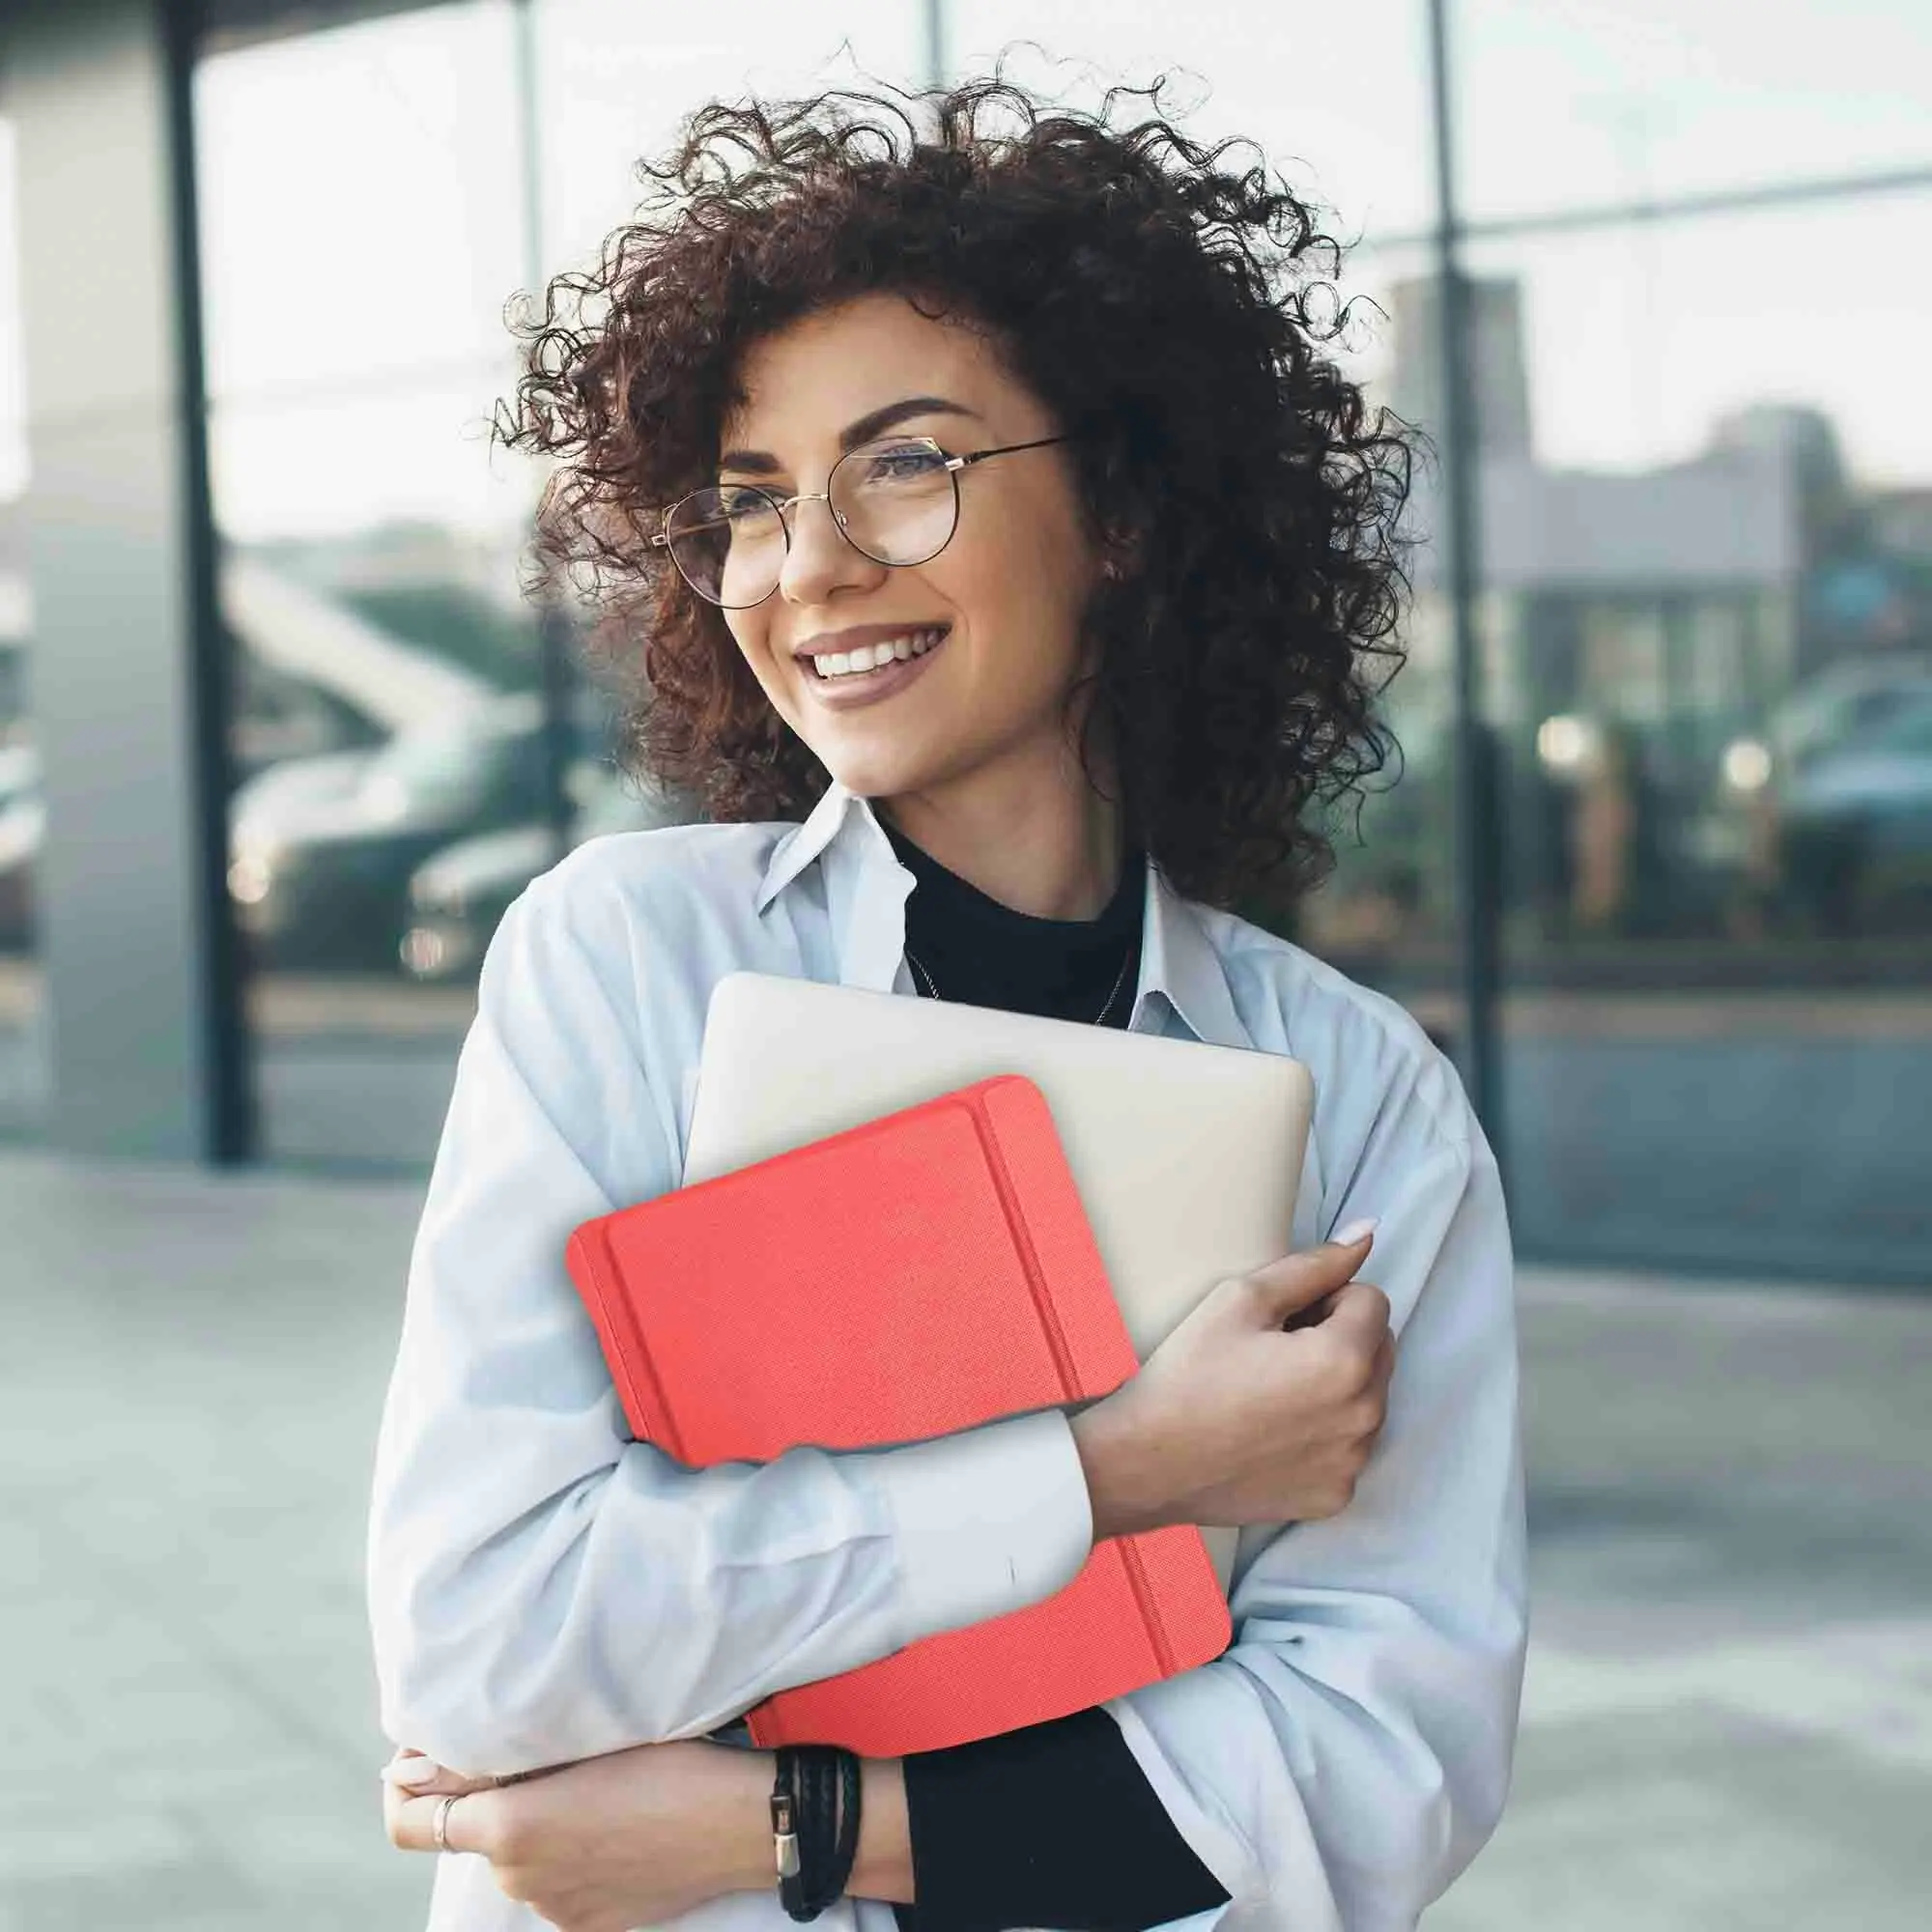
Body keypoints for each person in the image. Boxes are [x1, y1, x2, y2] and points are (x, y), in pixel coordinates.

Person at [368, 76, 1525, 1932]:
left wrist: (789, 1824)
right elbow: (486, 1645)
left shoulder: (1358, 1095)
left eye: (903, 464)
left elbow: (1384, 1761)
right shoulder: (628, 967)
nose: (807, 563)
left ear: (1127, 509)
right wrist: (1124, 1468)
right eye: (752, 501)